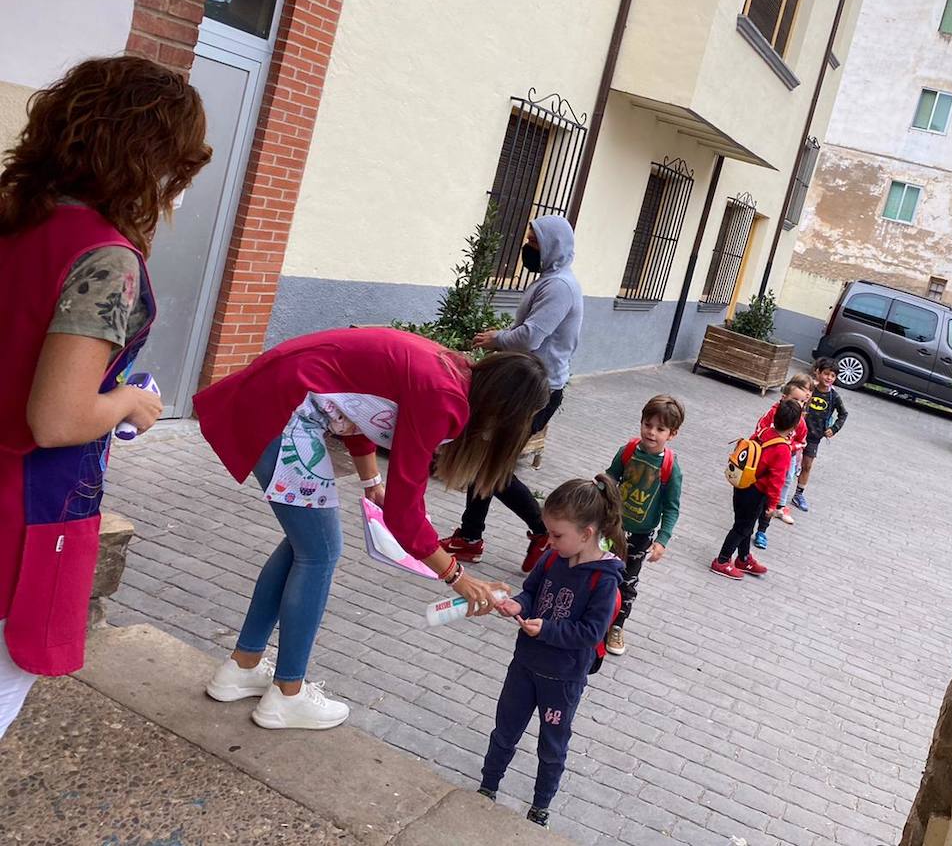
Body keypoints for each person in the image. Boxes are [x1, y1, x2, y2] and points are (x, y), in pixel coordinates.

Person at [0, 56, 211, 738]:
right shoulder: (105, 257)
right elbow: (58, 417)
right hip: (21, 519)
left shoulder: (11, 219)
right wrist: (124, 400)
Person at [194, 327, 547, 731]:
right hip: (282, 411)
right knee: (320, 553)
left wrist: (370, 482)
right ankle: (287, 695)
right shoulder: (444, 397)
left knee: (302, 547)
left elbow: (355, 408)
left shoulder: (453, 372)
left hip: (276, 401)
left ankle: (242, 667)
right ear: (507, 410)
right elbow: (403, 514)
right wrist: (457, 577)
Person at [479, 474, 625, 827]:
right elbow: (531, 592)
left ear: (586, 534)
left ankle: (540, 806)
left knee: (552, 745)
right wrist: (518, 604)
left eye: (558, 535)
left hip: (563, 679)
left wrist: (547, 628)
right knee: (504, 731)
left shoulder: (603, 579)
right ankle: (486, 788)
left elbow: (591, 632)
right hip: (525, 664)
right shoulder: (551, 557)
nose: (551, 541)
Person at [442, 216, 582, 572]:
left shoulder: (559, 287)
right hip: (522, 385)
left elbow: (532, 336)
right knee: (486, 456)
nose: (528, 248)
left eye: (535, 243)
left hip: (536, 391)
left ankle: (540, 531)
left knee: (494, 463)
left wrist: (497, 339)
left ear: (552, 247)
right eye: (529, 239)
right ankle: (470, 537)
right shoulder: (551, 281)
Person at [602, 394, 684, 657]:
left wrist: (662, 540)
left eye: (660, 429)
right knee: (597, 570)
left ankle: (616, 625)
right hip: (611, 526)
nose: (651, 432)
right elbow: (610, 478)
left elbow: (672, 508)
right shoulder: (627, 452)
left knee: (627, 581)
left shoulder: (671, 468)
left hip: (639, 536)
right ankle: (589, 615)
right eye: (647, 425)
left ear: (672, 434)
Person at [711, 399, 803, 581]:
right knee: (742, 527)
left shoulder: (764, 432)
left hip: (742, 485)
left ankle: (743, 559)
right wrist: (773, 504)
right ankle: (722, 561)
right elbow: (777, 479)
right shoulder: (783, 448)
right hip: (756, 493)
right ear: (795, 425)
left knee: (745, 525)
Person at [753, 375, 811, 550]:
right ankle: (749, 521)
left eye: (802, 402)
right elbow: (759, 430)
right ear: (784, 397)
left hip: (786, 458)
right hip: (765, 458)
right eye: (795, 399)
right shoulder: (772, 413)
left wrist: (788, 446)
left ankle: (762, 530)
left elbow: (803, 441)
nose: (799, 404)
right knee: (757, 492)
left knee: (776, 489)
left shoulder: (800, 422)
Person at [791, 357, 848, 513]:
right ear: (818, 372)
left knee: (807, 465)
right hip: (796, 433)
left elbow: (843, 414)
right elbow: (792, 398)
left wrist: (834, 428)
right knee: (786, 462)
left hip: (815, 436)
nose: (829, 378)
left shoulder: (834, 396)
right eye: (826, 374)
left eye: (833, 376)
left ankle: (798, 494)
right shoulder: (809, 388)